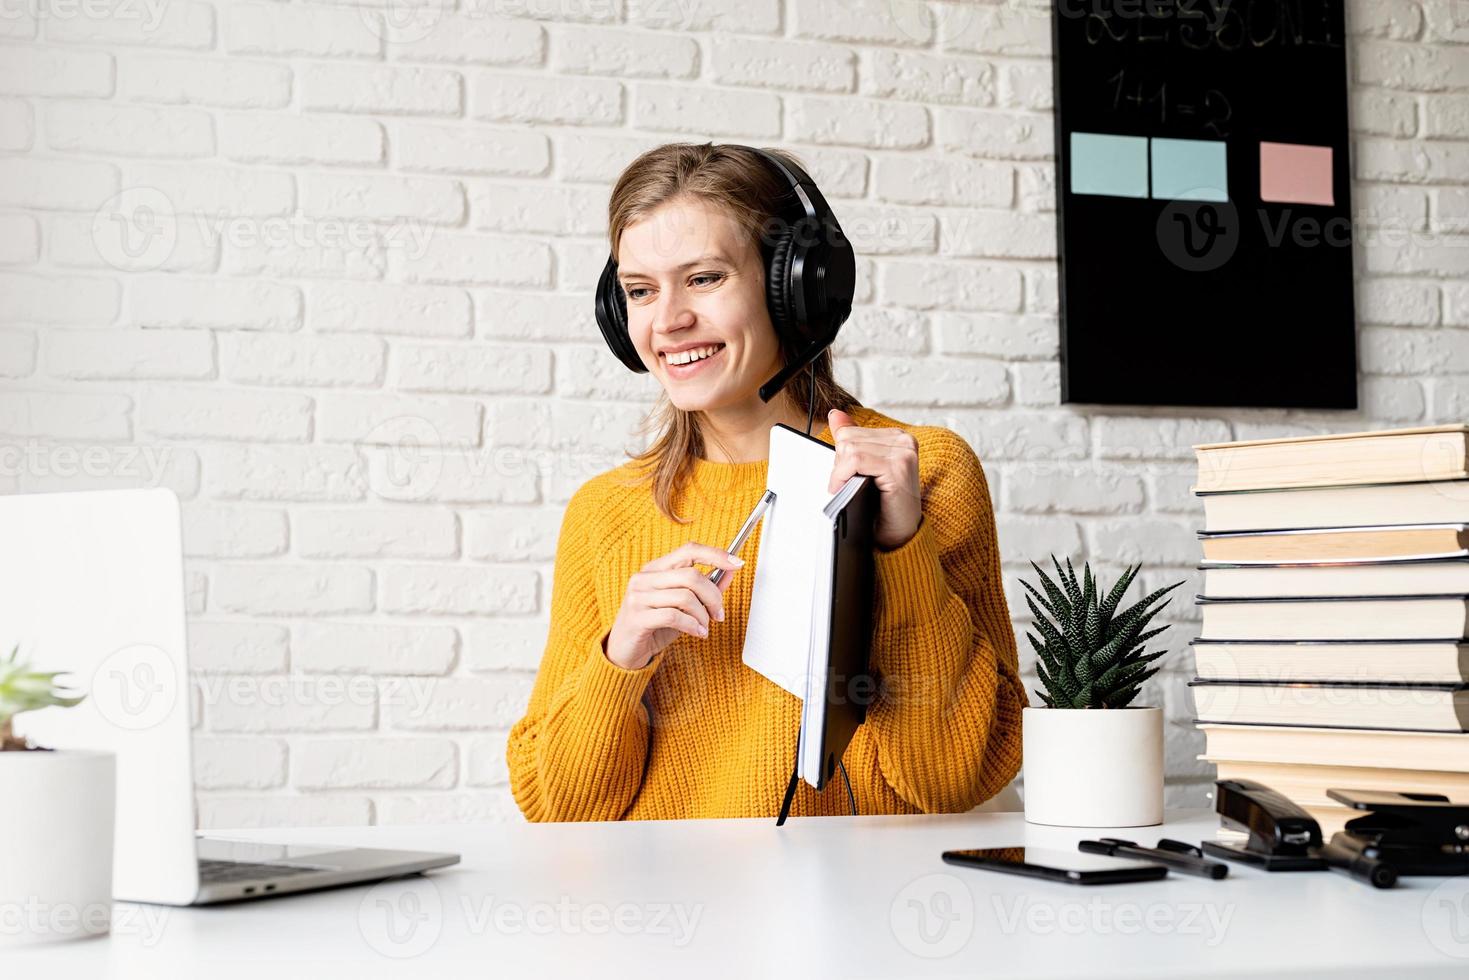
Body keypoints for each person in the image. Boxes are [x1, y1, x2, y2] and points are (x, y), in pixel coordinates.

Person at [505, 142, 1025, 821]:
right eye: (639, 291)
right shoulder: (607, 512)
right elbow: (556, 811)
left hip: (868, 912)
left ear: (796, 289)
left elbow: (955, 778)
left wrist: (901, 548)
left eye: (704, 279)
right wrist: (621, 656)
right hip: (671, 917)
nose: (667, 321)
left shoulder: (924, 470)